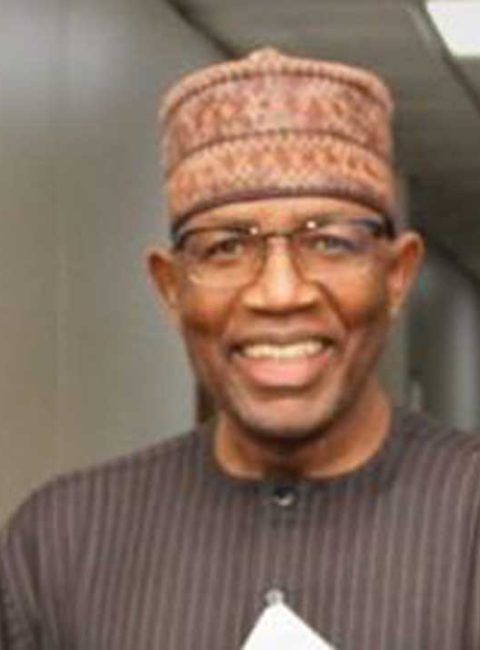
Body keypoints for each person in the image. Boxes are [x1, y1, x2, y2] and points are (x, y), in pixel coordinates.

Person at [1, 47, 479, 650]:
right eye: (226, 247)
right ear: (171, 288)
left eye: (329, 242)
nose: (279, 293)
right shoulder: (60, 545)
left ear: (397, 277)